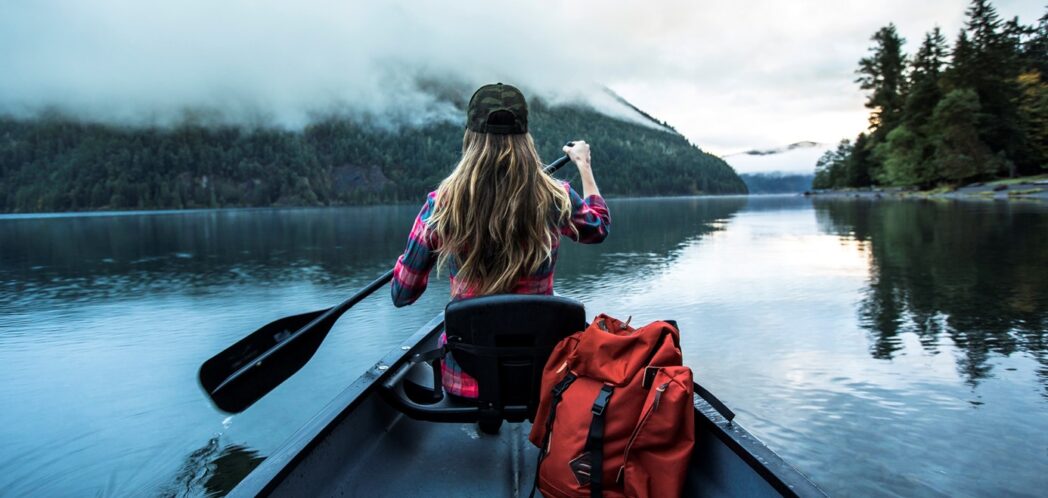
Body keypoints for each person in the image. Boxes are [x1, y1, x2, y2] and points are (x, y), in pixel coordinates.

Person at [391, 83, 610, 398]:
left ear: (470, 137)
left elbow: (402, 294)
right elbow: (598, 228)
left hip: (466, 380)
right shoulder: (555, 196)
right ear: (525, 139)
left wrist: (419, 251)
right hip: (543, 378)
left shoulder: (441, 205)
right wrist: (584, 167)